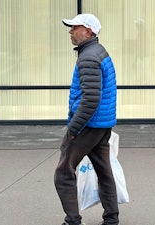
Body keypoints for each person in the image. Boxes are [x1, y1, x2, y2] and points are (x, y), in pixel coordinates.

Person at [54, 14, 119, 225]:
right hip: (101, 124)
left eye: (75, 28)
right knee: (104, 171)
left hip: (88, 125)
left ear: (88, 31)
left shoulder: (89, 57)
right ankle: (111, 219)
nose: (71, 32)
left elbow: (91, 99)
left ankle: (72, 221)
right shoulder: (97, 52)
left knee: (63, 173)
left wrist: (73, 128)